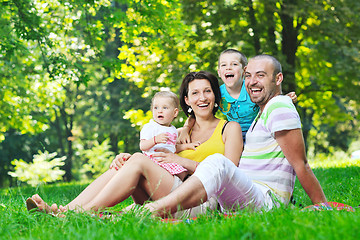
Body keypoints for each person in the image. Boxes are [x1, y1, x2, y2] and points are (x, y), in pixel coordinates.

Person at [25, 71, 243, 216]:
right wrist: (125, 161)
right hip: (167, 191)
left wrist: (180, 161)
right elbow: (157, 160)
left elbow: (229, 175)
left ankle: (74, 214)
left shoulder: (229, 128)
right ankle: (62, 209)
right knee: (128, 161)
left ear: (215, 95)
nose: (202, 98)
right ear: (186, 100)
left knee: (138, 160)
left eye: (207, 91)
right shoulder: (176, 133)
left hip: (200, 201)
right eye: (195, 93)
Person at [145, 54, 327, 217]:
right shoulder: (261, 112)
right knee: (216, 163)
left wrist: (322, 205)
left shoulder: (278, 106)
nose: (252, 81)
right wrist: (187, 125)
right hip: (245, 192)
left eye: (261, 75)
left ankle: (150, 211)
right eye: (248, 76)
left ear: (278, 78)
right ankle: (144, 212)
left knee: (218, 161)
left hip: (266, 201)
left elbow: (301, 163)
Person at [179, 49, 297, 142]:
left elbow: (269, 98)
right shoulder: (218, 94)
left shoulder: (252, 88)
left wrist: (284, 98)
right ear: (219, 72)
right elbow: (198, 111)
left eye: (234, 64)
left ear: (244, 71)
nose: (228, 67)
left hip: (257, 133)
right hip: (233, 136)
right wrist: (186, 128)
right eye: (224, 65)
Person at [139, 90, 194, 176]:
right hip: (153, 160)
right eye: (156, 107)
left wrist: (187, 146)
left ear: (175, 112)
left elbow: (172, 147)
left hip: (167, 161)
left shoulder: (173, 130)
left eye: (164, 108)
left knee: (183, 173)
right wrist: (155, 140)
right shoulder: (150, 127)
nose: (159, 111)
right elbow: (142, 146)